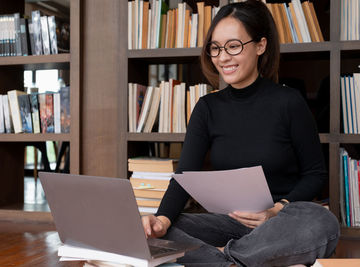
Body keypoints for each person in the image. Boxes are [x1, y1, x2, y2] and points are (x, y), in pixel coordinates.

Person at [141, 1, 340, 266]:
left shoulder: (288, 102)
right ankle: (237, 262)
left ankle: (226, 259)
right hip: (227, 222)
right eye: (215, 48)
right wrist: (161, 220)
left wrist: (276, 209)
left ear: (260, 46)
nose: (223, 57)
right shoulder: (207, 108)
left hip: (281, 221)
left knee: (321, 221)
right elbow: (182, 179)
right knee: (156, 229)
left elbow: (315, 174)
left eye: (233, 46)